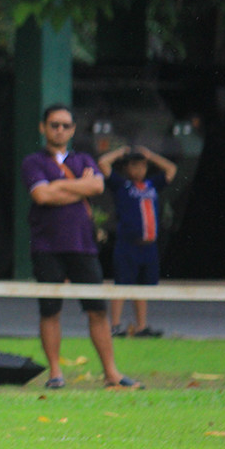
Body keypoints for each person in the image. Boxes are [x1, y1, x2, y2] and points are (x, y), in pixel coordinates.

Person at [20, 104, 140, 390]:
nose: (59, 130)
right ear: (43, 127)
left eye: (65, 125)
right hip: (46, 246)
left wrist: (58, 187)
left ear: (73, 129)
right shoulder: (33, 162)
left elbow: (97, 187)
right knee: (50, 310)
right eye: (53, 125)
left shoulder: (84, 159)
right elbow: (41, 196)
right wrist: (77, 187)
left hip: (83, 246)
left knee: (97, 310)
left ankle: (112, 374)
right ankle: (55, 373)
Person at [97, 145, 177, 337]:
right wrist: (121, 152)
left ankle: (142, 326)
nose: (139, 170)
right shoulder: (122, 186)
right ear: (126, 168)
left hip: (148, 245)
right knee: (122, 284)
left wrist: (151, 155)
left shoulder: (151, 185)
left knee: (143, 287)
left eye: (142, 166)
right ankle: (115, 325)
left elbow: (171, 170)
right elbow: (103, 163)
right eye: (134, 166)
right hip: (128, 245)